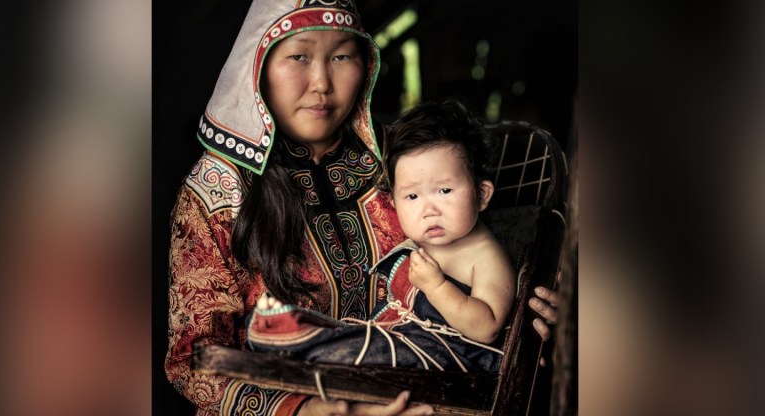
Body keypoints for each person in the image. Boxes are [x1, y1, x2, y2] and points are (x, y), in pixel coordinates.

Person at [166, 0, 558, 414]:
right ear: (258, 65)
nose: (321, 82)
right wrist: (310, 410)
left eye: (341, 56)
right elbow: (192, 361)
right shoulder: (216, 191)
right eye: (299, 56)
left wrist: (530, 327)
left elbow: (480, 275)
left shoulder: (406, 163)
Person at [247, 99, 515, 373]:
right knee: (352, 338)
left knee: (364, 353)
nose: (429, 210)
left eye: (444, 191)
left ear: (482, 195)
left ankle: (305, 346)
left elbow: (487, 328)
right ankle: (294, 333)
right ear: (394, 203)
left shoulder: (486, 255)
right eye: (412, 196)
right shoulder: (423, 240)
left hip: (449, 359)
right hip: (397, 336)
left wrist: (437, 287)